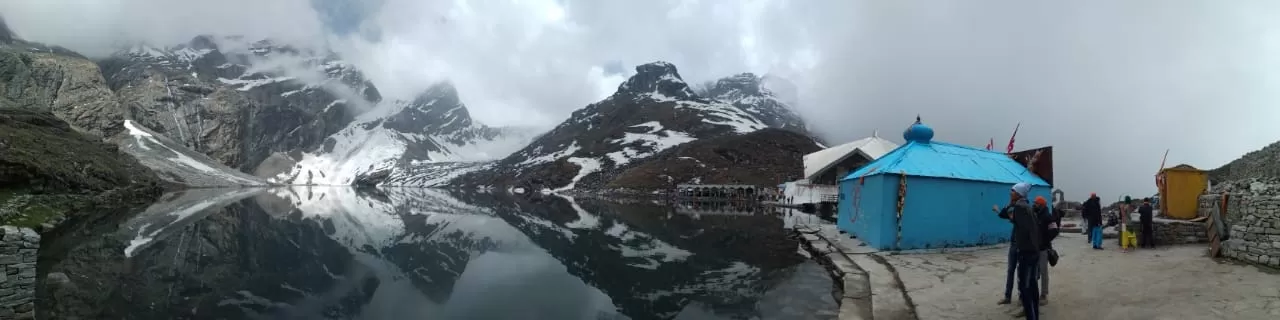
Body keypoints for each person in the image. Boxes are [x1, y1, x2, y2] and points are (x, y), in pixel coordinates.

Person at [995, 182, 1044, 319]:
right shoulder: (1027, 207)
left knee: (1025, 288)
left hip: (1026, 253)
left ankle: (1031, 316)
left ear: (1018, 194)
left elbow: (1023, 230)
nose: (1010, 193)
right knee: (1032, 286)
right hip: (1032, 252)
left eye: (1012, 191)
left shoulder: (1020, 208)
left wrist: (1024, 250)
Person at [1034, 196, 1060, 304]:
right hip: (1033, 248)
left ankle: (1044, 294)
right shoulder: (1034, 215)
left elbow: (1054, 230)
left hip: (1043, 249)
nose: (1034, 205)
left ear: (1042, 205)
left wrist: (1045, 240)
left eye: (1036, 203)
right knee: (1034, 272)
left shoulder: (1048, 217)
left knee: (1044, 272)